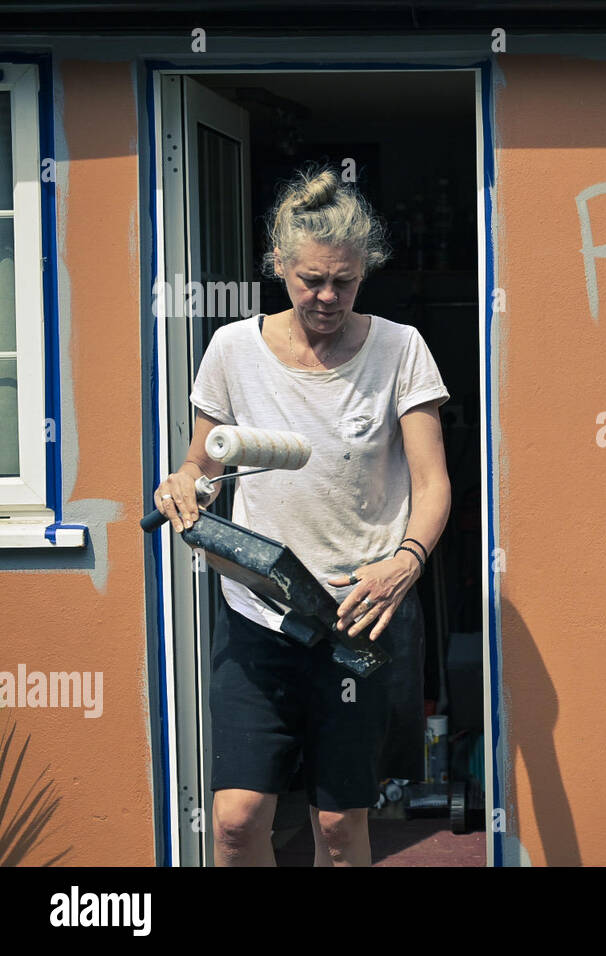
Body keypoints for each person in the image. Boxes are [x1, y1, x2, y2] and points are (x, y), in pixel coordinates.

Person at [151, 165, 453, 866]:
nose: (326, 296)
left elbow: (433, 484)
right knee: (233, 821)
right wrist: (183, 485)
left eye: (343, 281)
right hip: (258, 619)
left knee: (341, 830)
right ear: (278, 264)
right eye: (309, 279)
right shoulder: (233, 349)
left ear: (364, 271)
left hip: (354, 617)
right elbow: (205, 467)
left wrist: (405, 561)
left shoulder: (400, 350)